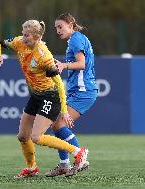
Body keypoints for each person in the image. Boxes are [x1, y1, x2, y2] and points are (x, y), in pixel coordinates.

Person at [0, 19, 88, 179]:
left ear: (37, 37)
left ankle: (78, 152)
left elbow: (59, 84)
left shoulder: (44, 55)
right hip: (36, 95)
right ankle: (31, 168)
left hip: (51, 96)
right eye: (23, 33)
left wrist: (64, 111)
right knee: (23, 136)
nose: (23, 38)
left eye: (27, 35)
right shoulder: (19, 42)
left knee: (36, 137)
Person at [45, 13, 98, 177]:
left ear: (70, 24)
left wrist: (63, 65)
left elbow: (81, 64)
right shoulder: (78, 39)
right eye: (56, 28)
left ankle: (79, 156)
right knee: (57, 124)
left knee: (59, 125)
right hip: (80, 90)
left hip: (84, 91)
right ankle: (64, 164)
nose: (58, 30)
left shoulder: (76, 39)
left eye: (60, 26)